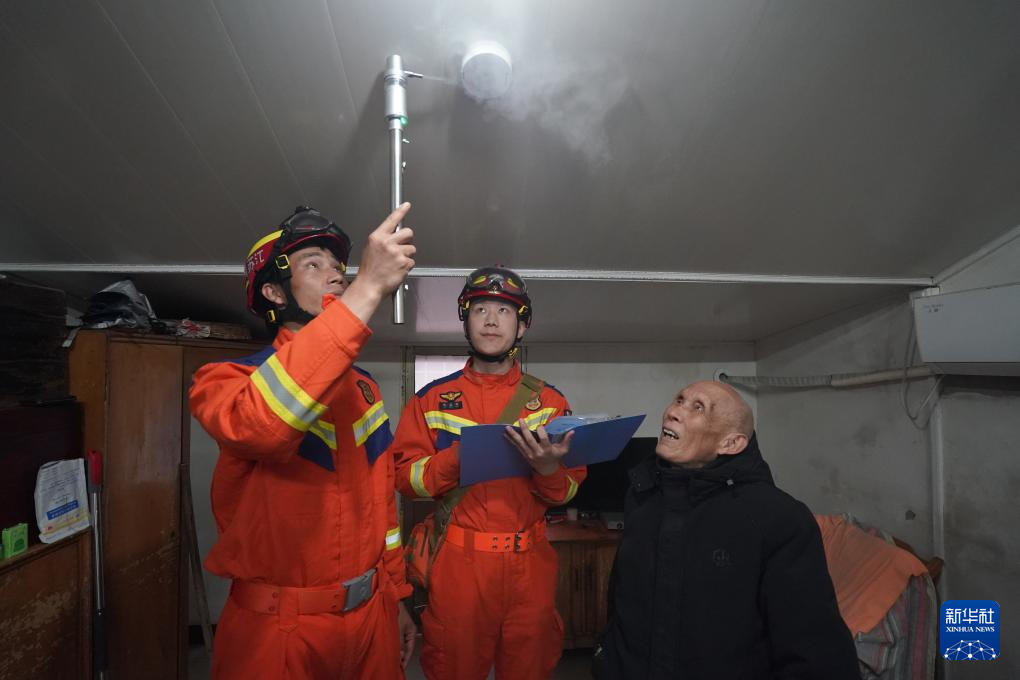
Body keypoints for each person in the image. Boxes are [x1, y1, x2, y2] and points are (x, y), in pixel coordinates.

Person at [189, 204, 417, 679]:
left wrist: (395, 595)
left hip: (371, 615)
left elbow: (383, 508)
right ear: (273, 292)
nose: (336, 275)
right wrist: (367, 289)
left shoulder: (365, 389)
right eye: (313, 264)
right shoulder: (228, 381)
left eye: (339, 267)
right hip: (278, 629)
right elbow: (261, 427)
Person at [390, 266, 587, 680]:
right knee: (454, 667)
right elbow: (406, 480)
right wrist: (458, 458)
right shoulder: (430, 400)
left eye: (504, 310)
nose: (492, 320)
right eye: (480, 309)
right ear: (466, 320)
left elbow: (567, 490)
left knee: (530, 668)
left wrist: (548, 469)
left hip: (530, 565)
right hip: (459, 566)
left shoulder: (550, 402)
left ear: (522, 326)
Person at [593, 380, 859, 679]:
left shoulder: (780, 519)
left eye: (699, 408)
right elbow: (623, 596)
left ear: (731, 443)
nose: (673, 412)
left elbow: (815, 649)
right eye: (679, 400)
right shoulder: (643, 495)